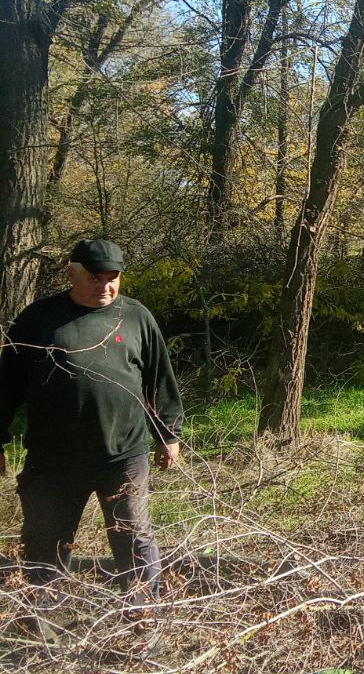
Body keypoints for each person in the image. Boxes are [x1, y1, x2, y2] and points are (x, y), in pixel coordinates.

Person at [0, 239, 183, 598]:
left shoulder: (135, 317)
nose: (105, 286)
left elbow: (158, 379)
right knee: (45, 543)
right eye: (95, 278)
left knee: (134, 540)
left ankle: (145, 625)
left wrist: (168, 433)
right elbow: (6, 384)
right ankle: (43, 631)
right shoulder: (38, 319)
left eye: (112, 277)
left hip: (122, 454)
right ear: (72, 273)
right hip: (54, 460)